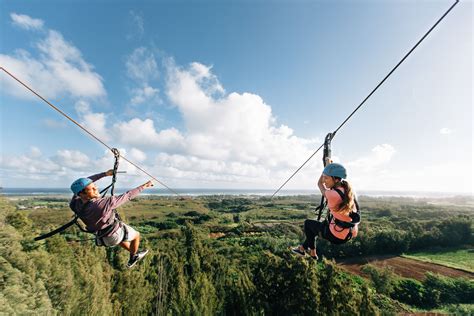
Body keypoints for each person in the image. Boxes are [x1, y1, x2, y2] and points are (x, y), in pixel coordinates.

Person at [70, 169, 154, 268]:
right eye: (92, 189)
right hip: (113, 235)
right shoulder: (103, 204)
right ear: (82, 194)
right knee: (136, 235)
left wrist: (105, 174)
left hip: (103, 238)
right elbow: (128, 196)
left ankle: (132, 252)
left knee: (121, 239)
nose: (96, 189)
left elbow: (86, 181)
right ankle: (133, 256)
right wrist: (145, 186)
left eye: (94, 186)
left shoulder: (74, 204)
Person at [292, 162, 359, 260]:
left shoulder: (332, 194)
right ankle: (302, 248)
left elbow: (319, 184)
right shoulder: (348, 191)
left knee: (308, 224)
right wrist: (327, 168)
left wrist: (326, 167)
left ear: (336, 179)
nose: (324, 180)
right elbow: (356, 213)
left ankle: (313, 252)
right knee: (316, 227)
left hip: (335, 236)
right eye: (324, 177)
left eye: (326, 178)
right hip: (347, 234)